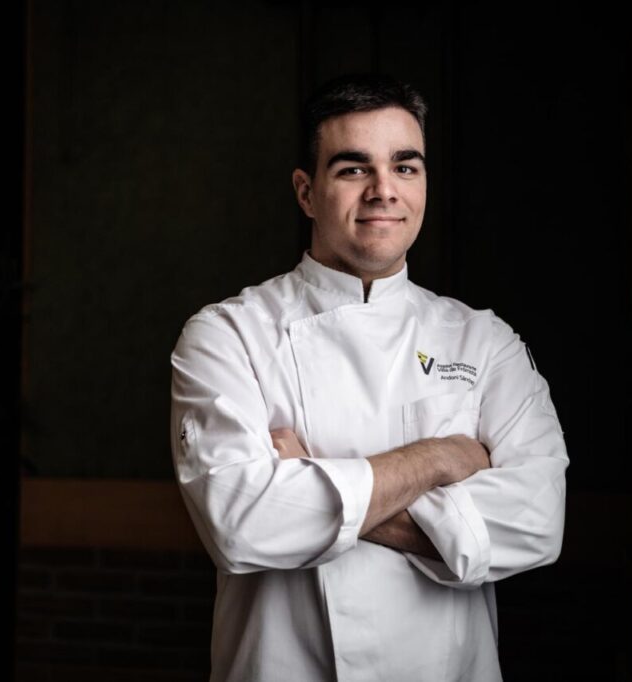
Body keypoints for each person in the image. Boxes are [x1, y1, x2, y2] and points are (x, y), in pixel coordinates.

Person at [170, 74, 568, 682]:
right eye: (354, 169)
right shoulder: (229, 335)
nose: (385, 190)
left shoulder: (485, 342)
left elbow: (539, 521)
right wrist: (439, 458)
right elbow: (244, 524)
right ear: (306, 192)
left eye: (406, 168)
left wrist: (311, 485)